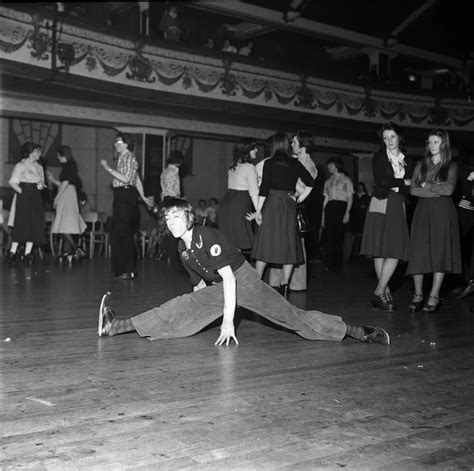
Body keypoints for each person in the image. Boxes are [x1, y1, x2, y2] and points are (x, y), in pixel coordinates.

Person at [97, 197, 390, 348]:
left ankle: (355, 331)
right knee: (180, 305)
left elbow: (228, 279)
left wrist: (227, 323)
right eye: (167, 218)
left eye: (177, 217)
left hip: (244, 281)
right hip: (221, 287)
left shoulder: (207, 236)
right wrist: (190, 315)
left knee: (293, 319)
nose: (172, 222)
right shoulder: (182, 250)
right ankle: (117, 326)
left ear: (189, 217)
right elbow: (200, 287)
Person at [251, 132, 314, 298]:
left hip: (272, 204)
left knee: (266, 244)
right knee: (288, 245)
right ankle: (285, 285)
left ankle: (256, 283)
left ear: (274, 146)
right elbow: (310, 183)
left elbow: (264, 189)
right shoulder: (294, 162)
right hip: (288, 205)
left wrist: (258, 211)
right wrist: (298, 199)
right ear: (287, 145)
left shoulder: (269, 163)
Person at [406, 129, 461, 312]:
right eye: (429, 142)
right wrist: (436, 188)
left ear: (444, 144)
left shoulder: (451, 166)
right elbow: (413, 190)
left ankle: (434, 295)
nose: (432, 145)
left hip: (443, 213)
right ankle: (418, 294)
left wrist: (426, 184)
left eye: (436, 142)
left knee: (440, 253)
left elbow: (449, 190)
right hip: (422, 211)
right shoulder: (420, 164)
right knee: (419, 252)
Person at [360, 122, 413, 311]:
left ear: (399, 137)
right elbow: (381, 181)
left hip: (398, 204)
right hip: (380, 202)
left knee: (395, 250)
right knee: (379, 249)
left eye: (392, 136)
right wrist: (403, 182)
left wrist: (400, 184)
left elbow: (413, 184)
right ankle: (383, 292)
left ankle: (379, 291)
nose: (389, 141)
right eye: (385, 138)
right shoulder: (379, 157)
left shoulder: (407, 159)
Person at [269, 130, 317, 291]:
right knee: (283, 243)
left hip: (293, 206)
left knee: (294, 246)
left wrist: (296, 198)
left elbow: (305, 186)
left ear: (303, 145)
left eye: (295, 143)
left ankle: (295, 283)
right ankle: (277, 281)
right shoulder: (295, 161)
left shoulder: (309, 164)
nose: (292, 145)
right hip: (285, 204)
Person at [100, 132, 153, 279]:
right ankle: (120, 269)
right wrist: (143, 196)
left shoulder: (129, 157)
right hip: (121, 196)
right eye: (116, 142)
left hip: (125, 196)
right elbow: (136, 179)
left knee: (123, 233)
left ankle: (128, 269)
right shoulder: (123, 158)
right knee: (117, 233)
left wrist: (108, 169)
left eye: (118, 142)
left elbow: (128, 179)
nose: (116, 145)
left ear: (126, 144)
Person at [5, 142, 47, 265]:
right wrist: (23, 193)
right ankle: (12, 252)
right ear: (30, 152)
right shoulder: (21, 165)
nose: (39, 153)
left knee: (34, 224)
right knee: (21, 222)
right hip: (24, 194)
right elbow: (12, 182)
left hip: (36, 196)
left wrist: (40, 186)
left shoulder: (39, 167)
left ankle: (28, 253)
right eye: (37, 151)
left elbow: (41, 184)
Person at [217, 138, 259, 256]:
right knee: (238, 243)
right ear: (247, 150)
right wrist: (258, 212)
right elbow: (254, 192)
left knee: (231, 244)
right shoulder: (249, 167)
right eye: (253, 148)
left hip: (228, 203)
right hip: (239, 204)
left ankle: (229, 272)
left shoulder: (234, 165)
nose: (256, 150)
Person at [46, 145, 87, 263]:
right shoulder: (70, 166)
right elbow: (65, 183)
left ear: (63, 155)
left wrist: (57, 197)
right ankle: (73, 251)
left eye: (59, 156)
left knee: (63, 226)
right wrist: (53, 180)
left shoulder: (69, 166)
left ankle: (76, 249)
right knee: (64, 225)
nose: (58, 158)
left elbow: (65, 184)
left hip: (67, 195)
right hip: (69, 193)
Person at [321, 157, 354, 272]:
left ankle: (337, 264)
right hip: (330, 207)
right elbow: (326, 198)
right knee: (329, 237)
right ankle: (329, 263)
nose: (328, 167)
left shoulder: (346, 180)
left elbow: (350, 197)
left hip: (341, 207)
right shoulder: (328, 181)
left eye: (329, 165)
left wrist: (347, 213)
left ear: (335, 165)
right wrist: (323, 216)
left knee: (338, 236)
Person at [159, 150, 185, 263]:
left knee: (167, 227)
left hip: (165, 199)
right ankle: (173, 255)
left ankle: (166, 254)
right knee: (175, 228)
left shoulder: (164, 171)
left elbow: (163, 189)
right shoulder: (174, 171)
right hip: (172, 199)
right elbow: (174, 190)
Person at [456, 153, 474, 300]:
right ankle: (468, 282)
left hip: (467, 211)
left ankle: (470, 282)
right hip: (465, 211)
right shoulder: (464, 170)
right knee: (465, 247)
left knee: (468, 248)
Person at [350, 181, 370, 257]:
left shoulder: (366, 197)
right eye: (359, 187)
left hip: (363, 217)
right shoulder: (355, 196)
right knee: (355, 234)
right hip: (355, 217)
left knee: (362, 234)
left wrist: (363, 207)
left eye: (361, 187)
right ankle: (355, 251)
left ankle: (362, 251)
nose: (360, 188)